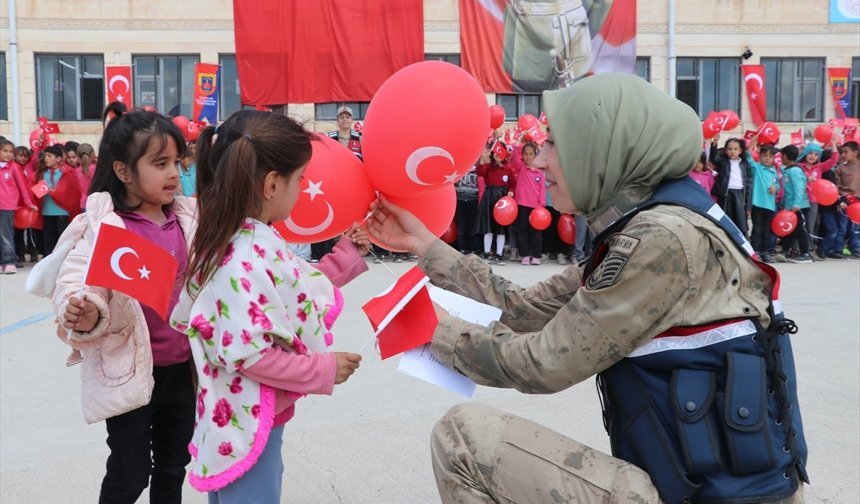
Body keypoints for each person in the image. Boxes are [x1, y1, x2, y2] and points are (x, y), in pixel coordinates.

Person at [367, 73, 807, 504]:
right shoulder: (656, 221)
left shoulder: (663, 239)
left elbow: (543, 363)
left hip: (712, 496)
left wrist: (438, 331)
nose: (539, 161)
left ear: (602, 149)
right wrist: (425, 246)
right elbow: (523, 308)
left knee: (462, 437)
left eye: (555, 144)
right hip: (700, 486)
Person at [171, 110, 364, 502]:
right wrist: (322, 369)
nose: (302, 188)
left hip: (246, 411)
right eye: (301, 179)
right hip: (247, 418)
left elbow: (287, 291)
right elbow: (250, 354)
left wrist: (347, 254)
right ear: (273, 184)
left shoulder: (238, 237)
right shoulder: (243, 254)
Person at [51, 103, 197, 503]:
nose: (173, 173)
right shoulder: (105, 227)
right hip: (128, 371)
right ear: (123, 171)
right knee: (129, 473)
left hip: (182, 370)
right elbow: (76, 281)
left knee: (174, 465)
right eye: (160, 163)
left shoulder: (189, 219)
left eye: (177, 162)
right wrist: (84, 309)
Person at [475, 143, 516, 265]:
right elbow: (480, 173)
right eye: (496, 152)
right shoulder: (488, 167)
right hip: (489, 197)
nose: (498, 154)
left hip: (502, 200)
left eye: (501, 152)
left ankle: (499, 254)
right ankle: (487, 253)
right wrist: (482, 160)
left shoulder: (508, 169)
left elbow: (512, 184)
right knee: (488, 228)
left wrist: (510, 191)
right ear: (493, 153)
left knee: (500, 229)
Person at [0, 139, 37, 274]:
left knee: (6, 235)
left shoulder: (14, 167)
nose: (8, 154)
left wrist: (29, 203)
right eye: (5, 151)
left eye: (11, 151)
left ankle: (9, 261)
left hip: (7, 206)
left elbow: (22, 187)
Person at [797, 141, 838, 254]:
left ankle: (808, 249)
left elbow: (833, 160)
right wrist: (806, 180)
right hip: (800, 200)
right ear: (805, 153)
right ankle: (795, 249)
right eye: (810, 153)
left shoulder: (819, 167)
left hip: (813, 201)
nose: (812, 156)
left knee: (810, 225)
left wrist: (834, 145)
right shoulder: (799, 167)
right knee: (799, 225)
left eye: (816, 154)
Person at [511, 141, 546, 265]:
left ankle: (536, 255)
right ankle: (525, 255)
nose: (528, 156)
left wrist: (542, 205)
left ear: (535, 155)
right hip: (522, 204)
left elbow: (542, 188)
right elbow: (514, 155)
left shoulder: (540, 171)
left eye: (531, 154)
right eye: (525, 154)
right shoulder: (521, 168)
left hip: (536, 207)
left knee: (536, 232)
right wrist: (519, 140)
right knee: (522, 230)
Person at [745, 140, 780, 262]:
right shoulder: (757, 168)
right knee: (757, 229)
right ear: (759, 156)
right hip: (757, 204)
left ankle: (765, 252)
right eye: (765, 156)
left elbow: (778, 185)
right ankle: (755, 251)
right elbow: (748, 159)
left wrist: (775, 188)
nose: (767, 158)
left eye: (770, 156)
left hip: (770, 205)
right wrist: (751, 148)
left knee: (766, 230)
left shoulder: (774, 171)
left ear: (773, 159)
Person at [711, 136, 752, 236]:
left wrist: (748, 206)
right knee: (725, 219)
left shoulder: (744, 164)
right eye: (729, 149)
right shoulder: (723, 162)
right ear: (725, 151)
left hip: (739, 194)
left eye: (735, 149)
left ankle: (742, 241)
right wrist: (714, 144)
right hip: (725, 194)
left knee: (740, 221)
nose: (732, 151)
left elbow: (749, 184)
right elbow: (713, 158)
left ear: (740, 151)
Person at [780, 146, 813, 263]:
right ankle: (784, 251)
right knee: (788, 230)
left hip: (799, 207)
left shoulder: (795, 171)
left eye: (781, 156)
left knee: (800, 230)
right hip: (790, 206)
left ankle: (805, 254)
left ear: (785, 156)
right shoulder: (788, 170)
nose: (781, 158)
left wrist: (797, 204)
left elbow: (799, 188)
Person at [833, 140, 860, 259]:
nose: (843, 155)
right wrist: (840, 200)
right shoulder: (840, 169)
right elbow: (836, 187)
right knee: (842, 226)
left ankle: (855, 248)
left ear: (855, 152)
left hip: (858, 201)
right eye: (841, 152)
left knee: (855, 227)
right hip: (845, 200)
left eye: (846, 152)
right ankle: (838, 248)